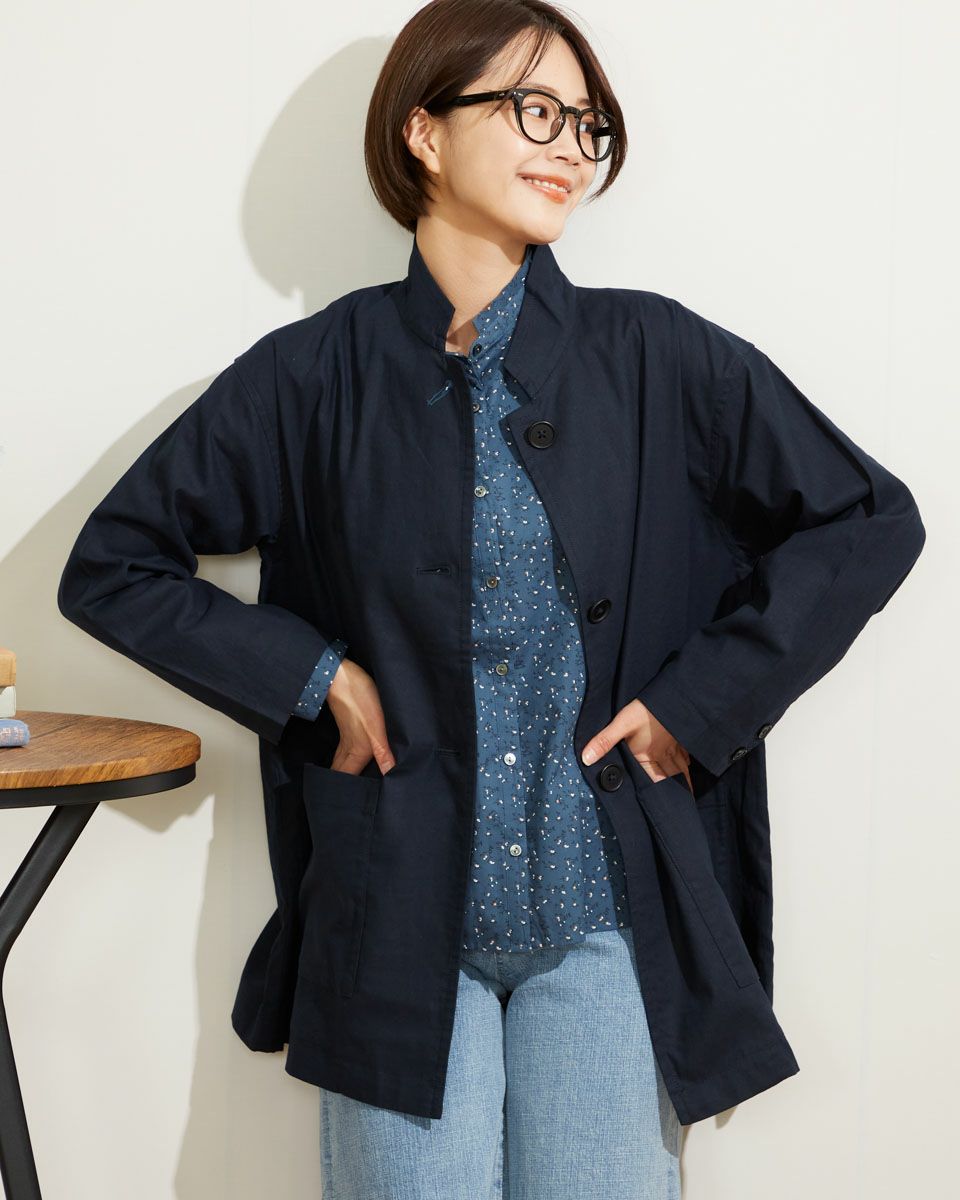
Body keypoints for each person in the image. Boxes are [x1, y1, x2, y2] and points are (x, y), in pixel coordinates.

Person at [56, 2, 926, 1197]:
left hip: (609, 914)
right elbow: (115, 563)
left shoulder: (658, 357)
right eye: (534, 110)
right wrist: (314, 679)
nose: (571, 147)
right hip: (396, 917)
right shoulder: (312, 379)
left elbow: (869, 519)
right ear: (424, 131)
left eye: (587, 124)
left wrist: (697, 705)